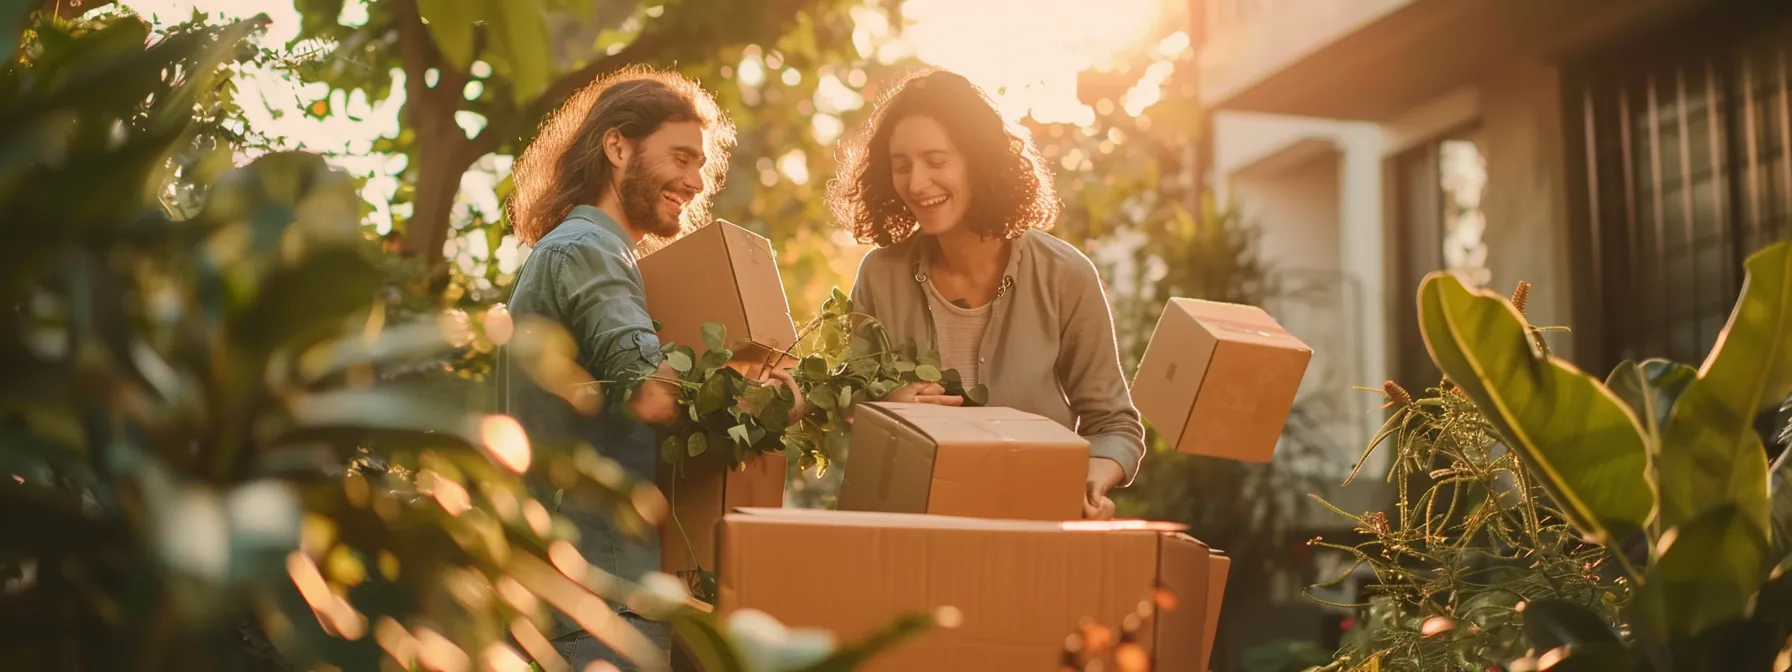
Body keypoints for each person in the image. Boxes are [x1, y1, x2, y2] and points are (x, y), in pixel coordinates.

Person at [503, 66, 796, 670]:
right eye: (681, 158)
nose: (695, 181)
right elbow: (652, 397)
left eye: (700, 165)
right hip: (594, 599)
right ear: (617, 146)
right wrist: (775, 399)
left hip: (584, 591)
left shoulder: (591, 252)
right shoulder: (588, 250)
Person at [830, 68, 1145, 521]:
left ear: (979, 160)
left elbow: (1114, 425)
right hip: (908, 535)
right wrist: (886, 409)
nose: (917, 183)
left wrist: (1091, 478)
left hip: (1030, 534)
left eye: (936, 161)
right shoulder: (880, 276)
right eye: (902, 166)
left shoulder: (1065, 276)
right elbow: (849, 399)